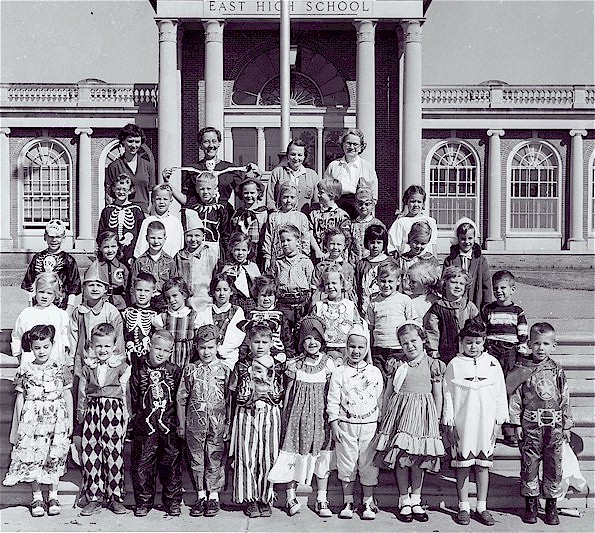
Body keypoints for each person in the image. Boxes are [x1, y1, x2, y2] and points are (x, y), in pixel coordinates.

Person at [375, 322, 445, 523]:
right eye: (405, 343)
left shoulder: (433, 365)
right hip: (400, 414)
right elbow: (389, 391)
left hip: (423, 415)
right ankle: (403, 500)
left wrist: (437, 419)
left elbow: (437, 395)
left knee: (417, 460)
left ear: (423, 339)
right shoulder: (397, 364)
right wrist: (385, 413)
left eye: (414, 341)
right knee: (401, 458)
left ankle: (416, 498)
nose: (410, 346)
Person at [442, 320, 508, 527]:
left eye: (478, 342)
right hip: (463, 423)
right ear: (461, 342)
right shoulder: (454, 364)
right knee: (462, 465)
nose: (473, 346)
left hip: (486, 424)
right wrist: (449, 422)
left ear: (484, 342)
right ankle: (463, 506)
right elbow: (448, 395)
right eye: (469, 342)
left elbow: (500, 394)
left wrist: (498, 421)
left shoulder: (493, 363)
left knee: (482, 466)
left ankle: (481, 506)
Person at [268, 316, 335, 518]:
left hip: (319, 418)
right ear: (301, 341)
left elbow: (331, 392)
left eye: (316, 338)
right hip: (296, 417)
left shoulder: (329, 364)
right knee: (293, 454)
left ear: (322, 340)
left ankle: (322, 497)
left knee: (321, 455)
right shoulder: (294, 364)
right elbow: (288, 392)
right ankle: (290, 496)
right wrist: (285, 417)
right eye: (307, 338)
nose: (312, 342)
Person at [3, 325, 73, 518]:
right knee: (33, 456)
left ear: (52, 345)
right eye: (37, 347)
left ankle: (53, 495)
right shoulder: (25, 370)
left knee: (54, 454)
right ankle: (36, 497)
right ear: (31, 348)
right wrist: (19, 425)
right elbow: (20, 398)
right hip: (32, 420)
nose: (41, 351)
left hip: (56, 419)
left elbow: (67, 394)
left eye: (45, 346)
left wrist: (70, 421)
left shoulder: (60, 367)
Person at [507, 322, 573, 525]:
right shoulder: (522, 369)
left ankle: (551, 505)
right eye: (536, 343)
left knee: (553, 464)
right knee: (530, 464)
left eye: (545, 344)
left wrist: (567, 425)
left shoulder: (556, 370)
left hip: (554, 426)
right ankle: (531, 504)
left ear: (554, 345)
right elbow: (516, 398)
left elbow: (564, 397)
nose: (541, 348)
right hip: (531, 425)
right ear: (529, 344)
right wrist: (516, 424)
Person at [228, 319, 285, 518]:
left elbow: (280, 393)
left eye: (264, 342)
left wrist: (267, 396)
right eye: (255, 342)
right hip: (247, 415)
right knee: (247, 455)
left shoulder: (277, 366)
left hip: (270, 413)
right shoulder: (242, 366)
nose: (259, 346)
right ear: (249, 342)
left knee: (268, 456)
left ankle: (265, 497)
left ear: (271, 343)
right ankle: (249, 498)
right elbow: (235, 393)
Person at [327, 324, 383, 520]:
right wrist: (334, 423)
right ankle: (348, 501)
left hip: (369, 425)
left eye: (360, 347)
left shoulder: (374, 372)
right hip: (345, 425)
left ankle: (368, 502)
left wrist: (380, 424)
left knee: (368, 463)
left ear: (366, 348)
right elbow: (333, 400)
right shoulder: (339, 372)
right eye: (352, 346)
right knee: (347, 463)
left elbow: (379, 399)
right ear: (346, 347)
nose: (356, 351)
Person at [177, 324, 232, 518]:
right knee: (197, 458)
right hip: (194, 424)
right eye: (202, 347)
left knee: (214, 457)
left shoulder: (225, 371)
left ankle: (214, 496)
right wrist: (182, 424)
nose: (206, 351)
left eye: (210, 347)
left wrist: (228, 424)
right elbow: (181, 398)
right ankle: (201, 495)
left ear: (217, 345)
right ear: (196, 348)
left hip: (217, 424)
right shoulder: (190, 369)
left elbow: (229, 400)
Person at [77, 323, 130, 516]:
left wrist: (126, 417)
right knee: (91, 452)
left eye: (107, 346)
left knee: (114, 453)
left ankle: (115, 497)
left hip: (113, 412)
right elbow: (82, 393)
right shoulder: (87, 367)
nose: (102, 350)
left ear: (114, 345)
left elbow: (125, 394)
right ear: (92, 346)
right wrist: (81, 415)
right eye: (98, 346)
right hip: (92, 411)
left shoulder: (121, 366)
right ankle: (94, 497)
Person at [130, 329, 183, 517]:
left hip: (169, 425)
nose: (160, 353)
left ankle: (173, 501)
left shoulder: (174, 371)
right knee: (142, 465)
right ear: (149, 347)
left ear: (170, 352)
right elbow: (135, 398)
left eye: (165, 350)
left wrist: (177, 423)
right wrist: (136, 422)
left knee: (171, 463)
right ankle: (143, 502)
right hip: (145, 426)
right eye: (157, 348)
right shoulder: (139, 370)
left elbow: (179, 398)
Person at [482, 270, 529, 446]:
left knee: (509, 389)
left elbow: (522, 334)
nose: (499, 291)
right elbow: (483, 330)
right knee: (493, 388)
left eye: (503, 288)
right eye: (496, 288)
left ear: (512, 289)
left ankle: (509, 429)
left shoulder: (518, 311)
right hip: (492, 352)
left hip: (510, 353)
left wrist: (521, 354)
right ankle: (490, 427)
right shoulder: (488, 310)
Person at [70, 263, 124, 378]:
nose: (95, 288)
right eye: (91, 285)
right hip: (84, 360)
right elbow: (73, 339)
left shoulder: (111, 311)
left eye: (99, 285)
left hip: (106, 359)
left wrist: (116, 360)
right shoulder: (79, 312)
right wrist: (71, 361)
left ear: (105, 289)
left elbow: (118, 338)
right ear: (84, 288)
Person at [367, 261, 418, 380]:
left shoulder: (405, 300)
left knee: (398, 380)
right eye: (383, 281)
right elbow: (370, 329)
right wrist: (369, 353)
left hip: (399, 349)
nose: (386, 285)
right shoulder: (373, 303)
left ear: (398, 281)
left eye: (390, 281)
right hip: (378, 350)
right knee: (380, 380)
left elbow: (412, 326)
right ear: (377, 281)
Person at [21, 219, 81, 312]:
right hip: (38, 306)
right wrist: (30, 307)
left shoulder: (69, 260)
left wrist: (69, 309)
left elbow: (73, 286)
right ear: (45, 237)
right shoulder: (37, 257)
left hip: (60, 307)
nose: (54, 240)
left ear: (63, 237)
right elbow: (30, 283)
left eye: (58, 237)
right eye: (51, 236)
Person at [11, 272, 70, 365]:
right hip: (30, 360)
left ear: (55, 295)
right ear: (35, 292)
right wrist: (18, 354)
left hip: (54, 360)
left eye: (49, 293)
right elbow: (17, 335)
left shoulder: (60, 315)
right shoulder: (27, 314)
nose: (44, 296)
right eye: (41, 292)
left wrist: (65, 355)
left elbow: (65, 337)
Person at [425, 266, 479, 364]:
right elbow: (432, 331)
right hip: (444, 353)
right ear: (444, 284)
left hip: (467, 352)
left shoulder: (469, 306)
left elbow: (478, 329)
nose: (457, 286)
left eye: (461, 283)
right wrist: (433, 351)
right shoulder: (438, 307)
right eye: (453, 282)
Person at [195, 272, 246, 371]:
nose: (222, 293)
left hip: (229, 358)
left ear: (231, 291)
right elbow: (199, 330)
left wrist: (220, 350)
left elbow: (237, 336)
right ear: (213, 292)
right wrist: (211, 350)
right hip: (208, 356)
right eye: (218, 290)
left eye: (225, 290)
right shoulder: (206, 310)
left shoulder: (237, 311)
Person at [312, 264, 361, 365]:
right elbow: (312, 329)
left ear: (342, 284)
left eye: (334, 283)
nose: (330, 287)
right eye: (327, 283)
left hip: (345, 350)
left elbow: (358, 328)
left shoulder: (349, 305)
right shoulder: (319, 306)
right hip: (324, 349)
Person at [169, 209, 217, 311]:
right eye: (189, 236)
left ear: (203, 236)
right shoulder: (180, 255)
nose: (193, 239)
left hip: (205, 301)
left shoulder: (209, 253)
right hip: (184, 303)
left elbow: (215, 276)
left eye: (197, 236)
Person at [323, 129, 378, 219]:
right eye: (348, 143)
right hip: (337, 208)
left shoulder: (368, 167)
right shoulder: (334, 166)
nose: (351, 147)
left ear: (361, 147)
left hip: (360, 208)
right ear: (343, 145)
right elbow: (326, 189)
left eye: (355, 144)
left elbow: (374, 195)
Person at [270, 224, 314, 330]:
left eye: (288, 240)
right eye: (282, 241)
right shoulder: (277, 263)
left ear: (298, 242)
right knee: (285, 334)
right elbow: (273, 284)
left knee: (301, 333)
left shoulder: (305, 262)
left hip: (302, 303)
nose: (285, 244)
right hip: (283, 304)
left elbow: (311, 284)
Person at [242, 275, 295, 362]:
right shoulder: (250, 315)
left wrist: (289, 355)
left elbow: (288, 338)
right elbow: (246, 339)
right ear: (257, 295)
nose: (266, 299)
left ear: (275, 296)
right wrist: (243, 357)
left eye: (270, 295)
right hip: (255, 355)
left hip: (277, 355)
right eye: (263, 295)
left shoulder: (281, 316)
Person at [443, 217, 492, 311]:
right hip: (454, 304)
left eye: (470, 238)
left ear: (474, 238)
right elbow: (444, 283)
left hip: (475, 302)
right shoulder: (450, 260)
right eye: (463, 239)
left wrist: (486, 306)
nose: (467, 242)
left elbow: (486, 286)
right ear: (457, 239)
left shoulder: (481, 261)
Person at [105, 123, 155, 214]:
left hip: (143, 212)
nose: (134, 145)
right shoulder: (114, 166)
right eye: (130, 141)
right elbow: (109, 194)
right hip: (121, 211)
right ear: (123, 141)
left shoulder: (148, 166)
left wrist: (148, 211)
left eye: (137, 142)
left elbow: (151, 191)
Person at [97, 174, 145, 265]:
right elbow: (101, 234)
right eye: (118, 189)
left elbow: (142, 234)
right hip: (111, 254)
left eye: (125, 189)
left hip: (131, 254)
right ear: (113, 189)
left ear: (130, 190)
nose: (121, 192)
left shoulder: (137, 210)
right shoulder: (107, 210)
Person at [262, 181, 310, 271]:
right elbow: (268, 237)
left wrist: (304, 256)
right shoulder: (274, 216)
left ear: (296, 199)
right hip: (277, 259)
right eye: (285, 197)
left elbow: (305, 239)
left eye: (292, 197)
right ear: (280, 198)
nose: (288, 201)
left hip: (296, 260)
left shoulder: (301, 217)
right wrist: (267, 257)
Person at [153, 277, 198, 370]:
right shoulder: (163, 318)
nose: (171, 300)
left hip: (188, 359)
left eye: (174, 296)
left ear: (184, 294)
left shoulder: (194, 316)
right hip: (169, 362)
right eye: (168, 298)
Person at [130, 220, 174, 313]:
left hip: (164, 303)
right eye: (152, 238)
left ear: (165, 239)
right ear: (147, 238)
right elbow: (132, 286)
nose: (156, 241)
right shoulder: (139, 261)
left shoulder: (170, 262)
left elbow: (173, 286)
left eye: (159, 238)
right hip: (144, 302)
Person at [267, 139, 319, 215]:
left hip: (305, 222)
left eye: (300, 155)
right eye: (293, 154)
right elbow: (270, 199)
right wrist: (275, 216)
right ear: (287, 155)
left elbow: (316, 202)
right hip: (281, 221)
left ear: (304, 156)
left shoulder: (312, 175)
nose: (296, 158)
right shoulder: (277, 172)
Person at [134, 184, 184, 259]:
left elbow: (178, 246)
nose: (161, 202)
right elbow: (141, 246)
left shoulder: (176, 223)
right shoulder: (147, 221)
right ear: (153, 200)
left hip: (170, 264)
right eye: (158, 199)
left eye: (165, 199)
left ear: (170, 201)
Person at [354, 224, 393, 317]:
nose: (375, 246)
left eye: (379, 242)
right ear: (367, 243)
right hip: (366, 305)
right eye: (372, 242)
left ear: (384, 243)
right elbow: (357, 287)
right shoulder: (361, 264)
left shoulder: (390, 262)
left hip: (386, 306)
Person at [387, 185, 437, 257]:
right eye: (412, 201)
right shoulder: (400, 222)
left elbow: (433, 246)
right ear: (406, 202)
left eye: (419, 202)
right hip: (406, 262)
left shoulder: (430, 221)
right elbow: (393, 247)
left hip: (425, 262)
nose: (416, 205)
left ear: (423, 203)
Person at [308, 177, 351, 259]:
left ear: (332, 195)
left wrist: (329, 253)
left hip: (336, 256)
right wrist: (318, 251)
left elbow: (346, 238)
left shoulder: (342, 215)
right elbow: (310, 234)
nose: (318, 195)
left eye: (321, 193)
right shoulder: (314, 214)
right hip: (317, 257)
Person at [310, 227, 355, 303]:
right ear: (326, 245)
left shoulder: (348, 267)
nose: (335, 247)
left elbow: (350, 288)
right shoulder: (320, 267)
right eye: (332, 244)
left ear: (344, 246)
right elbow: (315, 287)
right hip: (323, 301)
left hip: (343, 301)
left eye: (339, 244)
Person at [121, 272, 158, 365]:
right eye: (139, 290)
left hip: (149, 358)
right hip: (128, 356)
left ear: (153, 292)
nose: (142, 294)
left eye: (146, 291)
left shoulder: (157, 314)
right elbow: (123, 331)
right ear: (132, 290)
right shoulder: (126, 312)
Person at [220, 232, 261, 313]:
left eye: (244, 250)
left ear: (248, 250)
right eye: (237, 250)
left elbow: (258, 287)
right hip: (231, 301)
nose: (240, 253)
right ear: (231, 249)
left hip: (249, 302)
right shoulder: (227, 267)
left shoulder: (252, 267)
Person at [92, 230, 130, 310]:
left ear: (117, 247)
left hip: (120, 306)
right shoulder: (95, 267)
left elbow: (128, 289)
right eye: (106, 247)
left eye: (113, 246)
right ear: (100, 248)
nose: (110, 250)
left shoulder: (122, 268)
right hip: (100, 307)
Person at [229, 176, 268, 253]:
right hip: (241, 250)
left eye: (252, 193)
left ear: (258, 193)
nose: (249, 196)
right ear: (242, 194)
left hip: (258, 250)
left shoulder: (264, 213)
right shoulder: (238, 213)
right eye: (246, 193)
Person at [395, 220, 439, 287]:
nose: (419, 246)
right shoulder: (402, 260)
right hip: (406, 294)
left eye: (423, 243)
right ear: (410, 238)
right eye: (416, 242)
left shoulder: (431, 260)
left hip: (425, 295)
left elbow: (437, 279)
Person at [349, 187, 385, 265]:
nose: (363, 207)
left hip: (373, 263)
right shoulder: (352, 225)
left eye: (367, 204)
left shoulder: (378, 224)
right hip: (355, 264)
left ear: (372, 204)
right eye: (360, 204)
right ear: (355, 204)